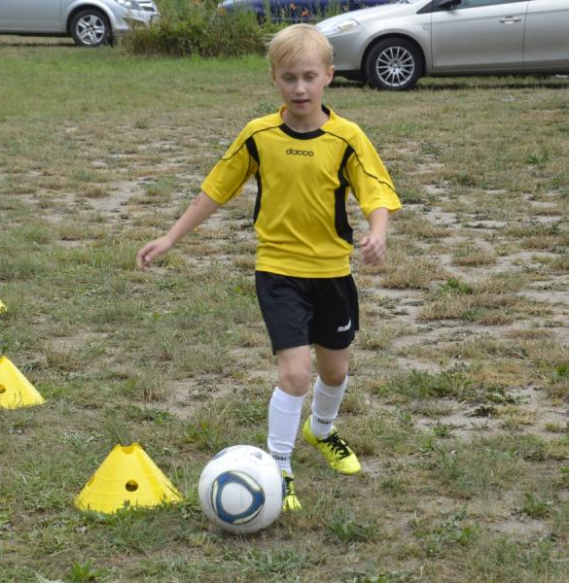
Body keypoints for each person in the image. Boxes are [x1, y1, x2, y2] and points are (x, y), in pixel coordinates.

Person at [136, 24, 401, 511]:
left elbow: (376, 192)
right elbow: (214, 189)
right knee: (296, 374)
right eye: (288, 78)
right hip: (278, 271)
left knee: (334, 371)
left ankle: (321, 431)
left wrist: (378, 233)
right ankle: (278, 468)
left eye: (308, 77)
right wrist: (170, 237)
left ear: (328, 77)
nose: (299, 88)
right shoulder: (258, 135)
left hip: (332, 273)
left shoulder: (347, 138)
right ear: (274, 80)